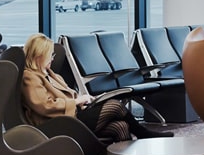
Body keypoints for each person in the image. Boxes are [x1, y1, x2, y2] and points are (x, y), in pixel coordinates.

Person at [21, 33, 173, 143]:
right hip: (59, 123)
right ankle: (143, 133)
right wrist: (77, 101)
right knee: (115, 106)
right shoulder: (30, 77)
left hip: (73, 115)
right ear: (39, 55)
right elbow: (44, 106)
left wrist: (82, 101)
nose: (53, 58)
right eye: (50, 55)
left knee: (120, 126)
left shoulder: (51, 74)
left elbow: (69, 96)